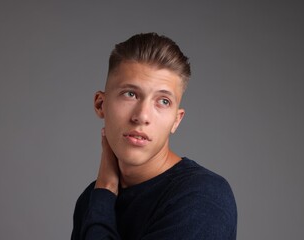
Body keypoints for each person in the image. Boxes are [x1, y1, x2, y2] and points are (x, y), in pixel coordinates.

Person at [71, 32, 237, 240]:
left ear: (176, 120)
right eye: (130, 94)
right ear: (100, 104)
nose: (142, 116)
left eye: (163, 101)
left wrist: (104, 191)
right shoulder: (90, 201)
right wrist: (102, 195)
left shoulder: (203, 196)